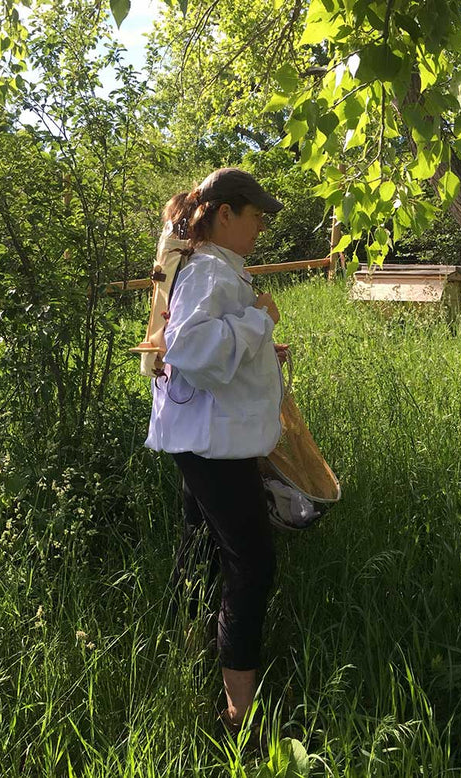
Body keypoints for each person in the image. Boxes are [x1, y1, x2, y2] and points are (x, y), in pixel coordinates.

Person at [146, 167, 288, 730]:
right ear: (224, 213)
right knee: (252, 564)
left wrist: (260, 346)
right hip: (214, 446)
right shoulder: (209, 269)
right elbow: (191, 347)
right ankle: (239, 715)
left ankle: (191, 655)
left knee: (201, 550)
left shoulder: (214, 266)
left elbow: (205, 350)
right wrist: (259, 320)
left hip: (203, 438)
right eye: (255, 216)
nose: (260, 228)